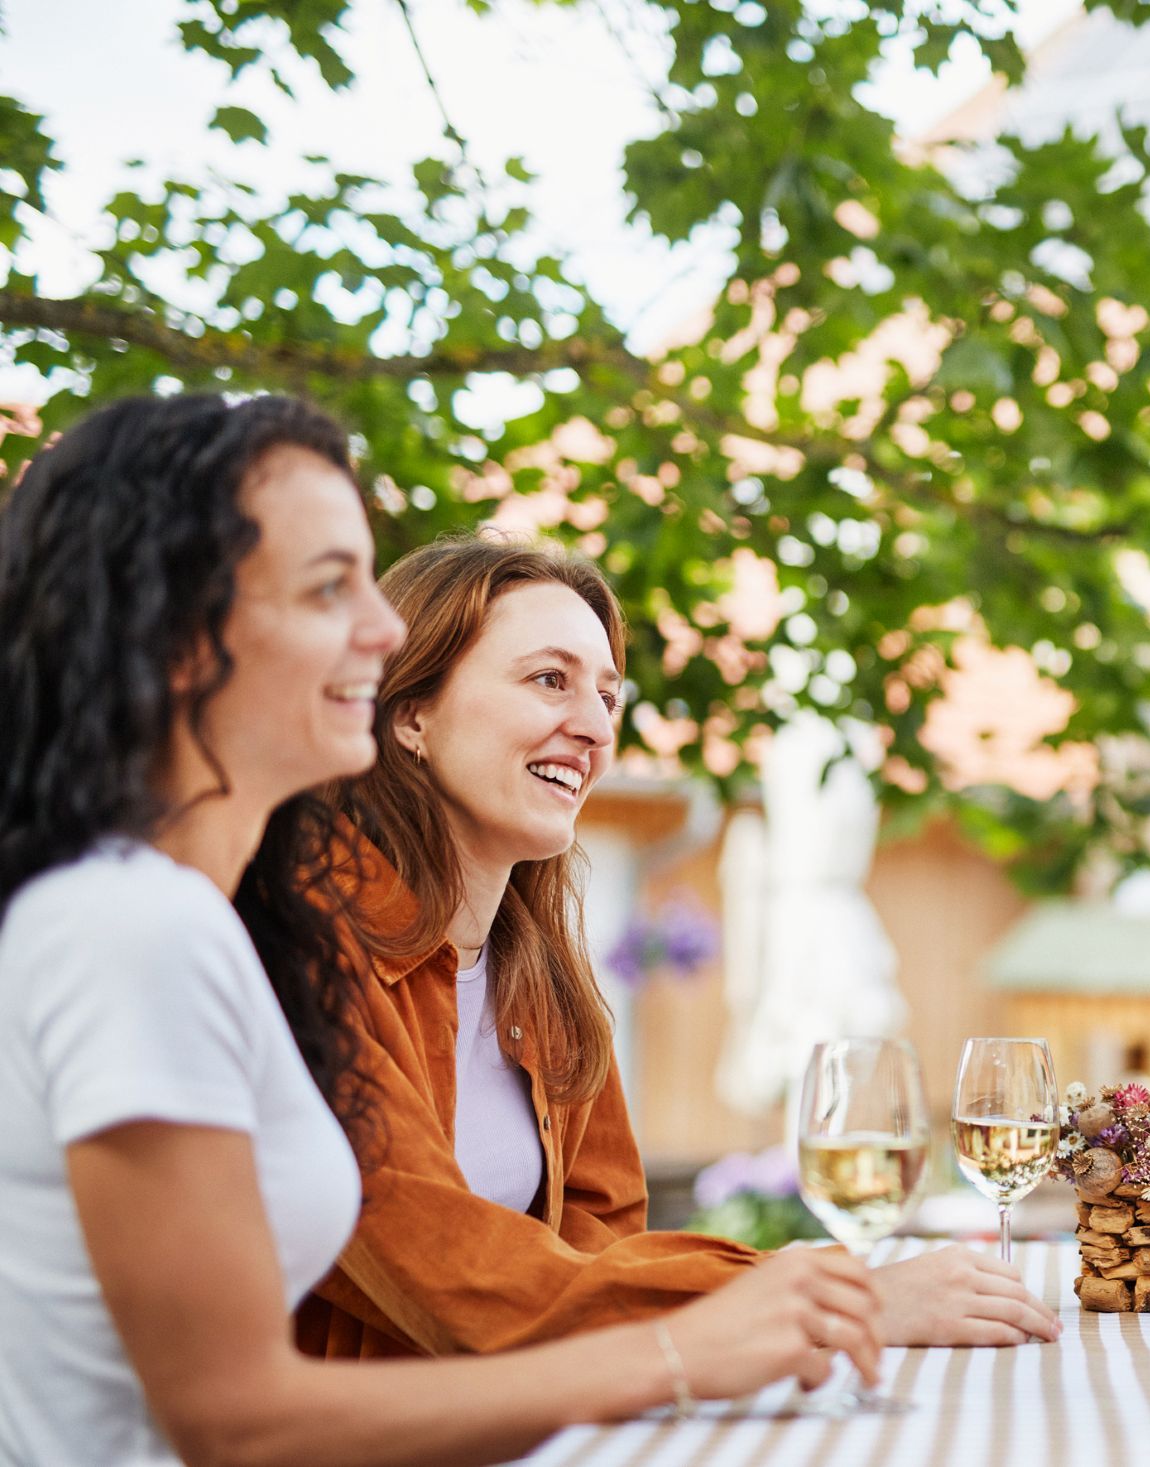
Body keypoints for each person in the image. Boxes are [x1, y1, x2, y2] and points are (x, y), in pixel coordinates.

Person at [0, 394, 881, 1467]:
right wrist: (694, 1346)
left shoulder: (205, 921)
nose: (380, 629)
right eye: (332, 588)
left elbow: (597, 1245)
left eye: (608, 689)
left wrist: (758, 1317)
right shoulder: (135, 926)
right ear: (179, 636)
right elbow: (233, 1421)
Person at [294, 534, 1059, 1361]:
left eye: (609, 696)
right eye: (549, 679)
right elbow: (444, 1269)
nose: (593, 727)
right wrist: (836, 1297)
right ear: (411, 712)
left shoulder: (538, 974)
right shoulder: (307, 951)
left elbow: (601, 1243)